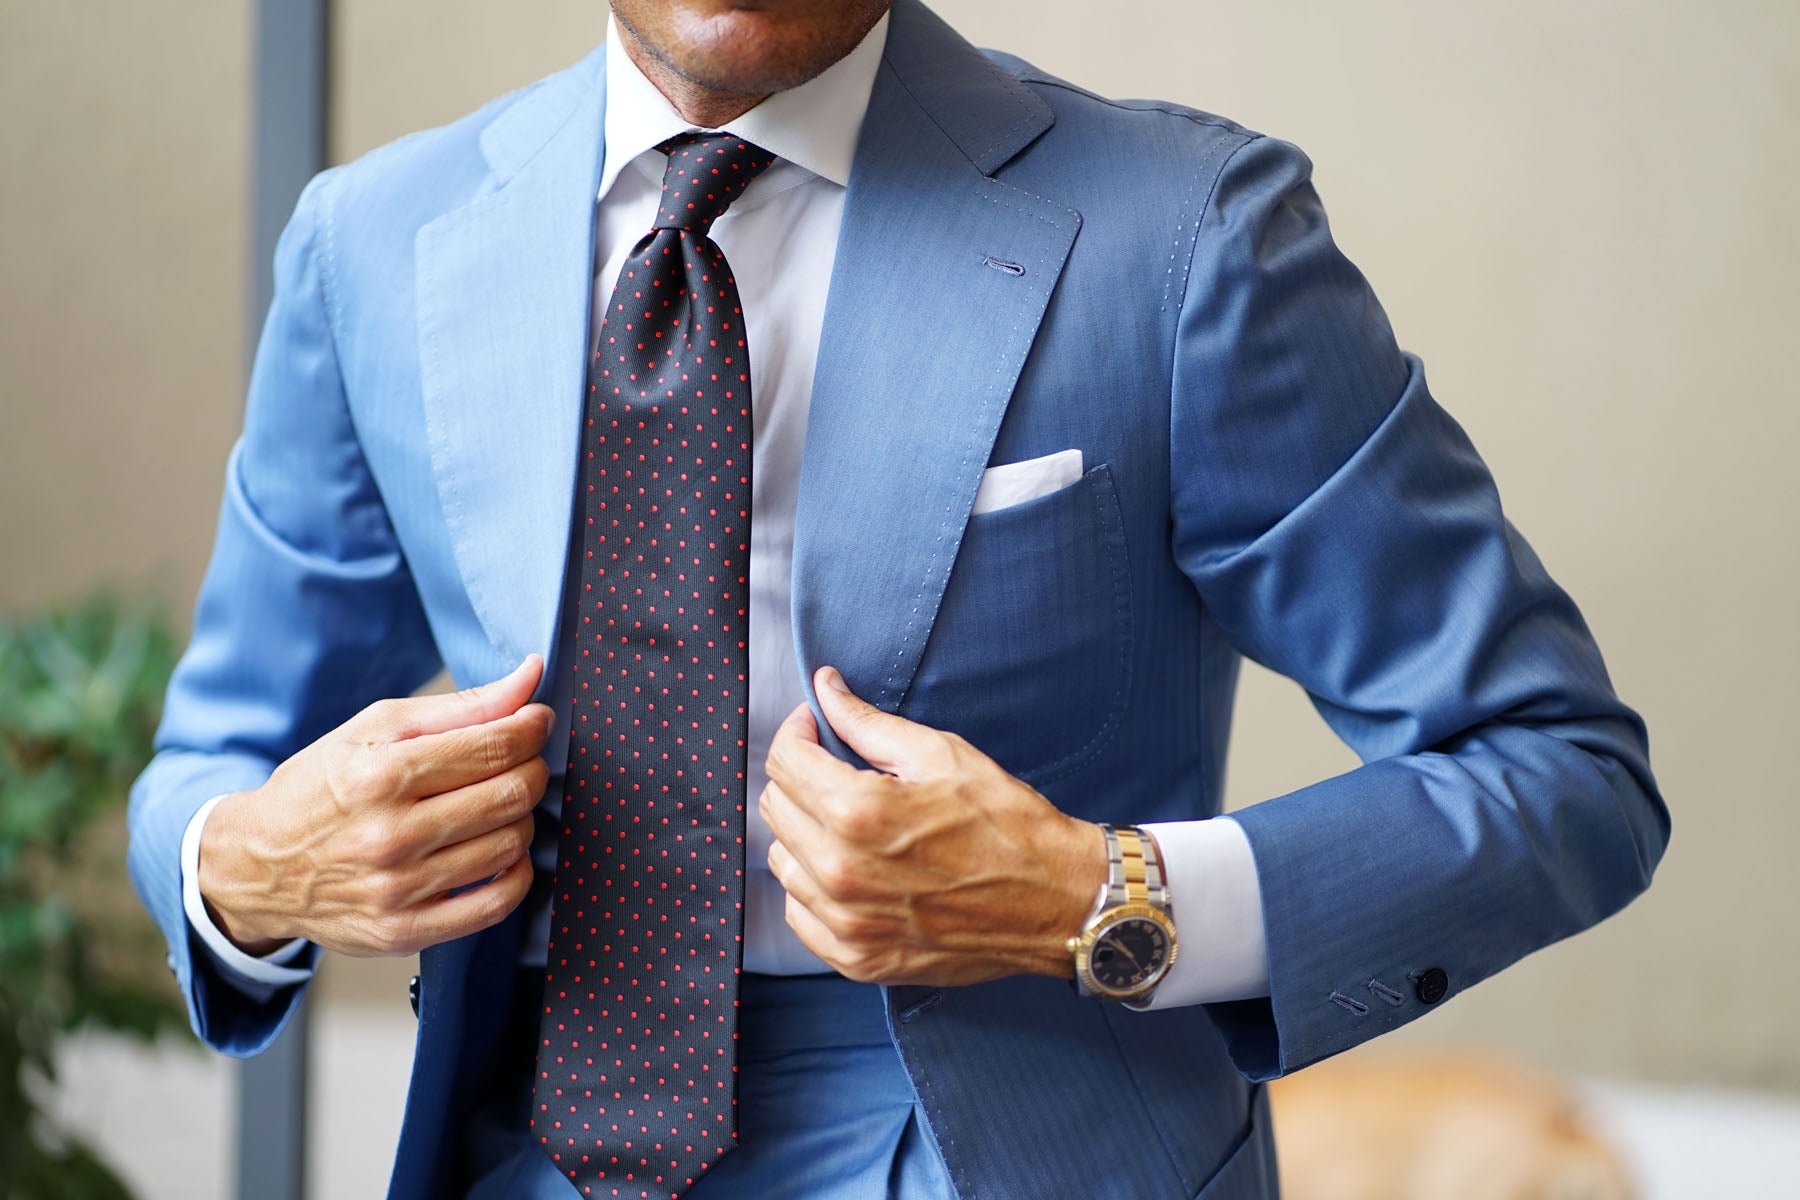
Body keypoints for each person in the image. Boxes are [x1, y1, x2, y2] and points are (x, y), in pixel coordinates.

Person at [127, 1, 1668, 1197]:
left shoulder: (1193, 240)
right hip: (515, 1133)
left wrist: (1100, 895)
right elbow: (212, 770)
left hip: (996, 1141)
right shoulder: (367, 247)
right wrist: (253, 870)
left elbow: (1561, 771)